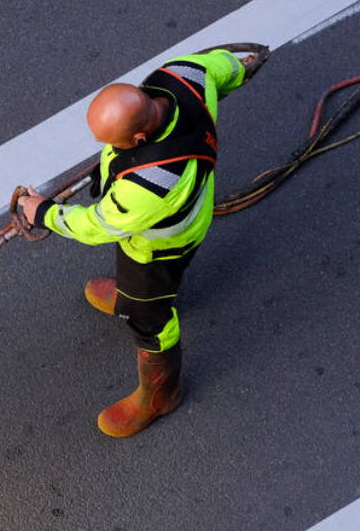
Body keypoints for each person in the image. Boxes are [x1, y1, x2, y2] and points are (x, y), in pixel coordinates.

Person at [18, 46, 258, 438]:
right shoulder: (184, 74)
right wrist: (239, 71)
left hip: (159, 245)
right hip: (185, 213)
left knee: (150, 317)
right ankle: (133, 295)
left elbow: (97, 226)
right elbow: (224, 66)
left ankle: (161, 394)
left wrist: (43, 212)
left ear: (142, 135)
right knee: (136, 281)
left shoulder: (150, 185)